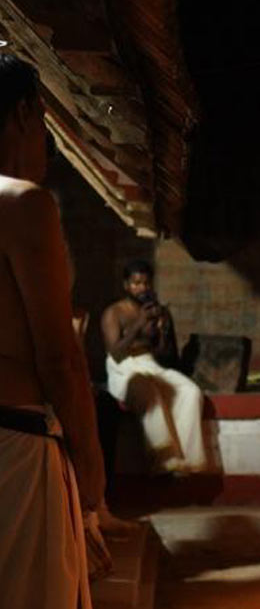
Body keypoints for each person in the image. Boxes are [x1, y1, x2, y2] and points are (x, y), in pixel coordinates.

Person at [0, 54, 107, 609]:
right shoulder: (21, 203)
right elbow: (60, 359)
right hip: (14, 449)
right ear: (24, 114)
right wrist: (91, 473)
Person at [101, 260, 206, 473]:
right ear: (126, 285)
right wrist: (139, 324)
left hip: (150, 363)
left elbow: (166, 356)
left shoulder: (156, 312)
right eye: (136, 283)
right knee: (151, 395)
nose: (141, 288)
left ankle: (187, 459)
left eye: (146, 283)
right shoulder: (114, 312)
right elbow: (115, 353)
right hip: (124, 368)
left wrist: (163, 330)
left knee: (190, 391)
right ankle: (164, 459)